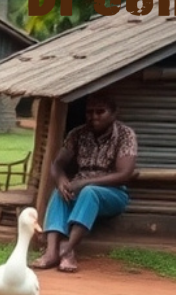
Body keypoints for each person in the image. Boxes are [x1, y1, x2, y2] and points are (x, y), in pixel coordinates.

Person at [33, 92, 137, 273]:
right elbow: (57, 165)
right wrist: (62, 179)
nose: (94, 117)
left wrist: (85, 183)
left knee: (90, 191)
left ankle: (68, 248)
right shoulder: (77, 134)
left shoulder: (125, 135)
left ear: (114, 114)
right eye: (90, 112)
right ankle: (51, 252)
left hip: (113, 193)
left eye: (100, 112)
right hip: (80, 189)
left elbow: (124, 174)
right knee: (60, 191)